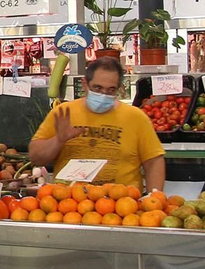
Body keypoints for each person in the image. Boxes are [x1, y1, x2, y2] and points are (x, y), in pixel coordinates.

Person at [28, 56, 165, 191]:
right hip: (68, 205)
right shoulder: (64, 113)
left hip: (123, 206)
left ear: (119, 89)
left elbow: (153, 161)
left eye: (111, 90)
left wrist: (154, 198)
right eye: (97, 88)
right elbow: (36, 158)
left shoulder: (136, 118)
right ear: (84, 85)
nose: (103, 95)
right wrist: (58, 140)